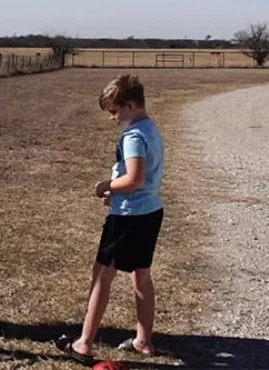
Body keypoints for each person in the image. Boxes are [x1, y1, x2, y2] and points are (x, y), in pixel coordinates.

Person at [56, 74, 165, 364]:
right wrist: (117, 192)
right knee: (141, 275)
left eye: (115, 111)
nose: (113, 118)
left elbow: (134, 178)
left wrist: (106, 186)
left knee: (102, 276)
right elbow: (141, 180)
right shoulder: (151, 129)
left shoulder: (133, 136)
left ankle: (84, 343)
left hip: (128, 218)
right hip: (150, 211)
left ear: (130, 106)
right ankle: (143, 340)